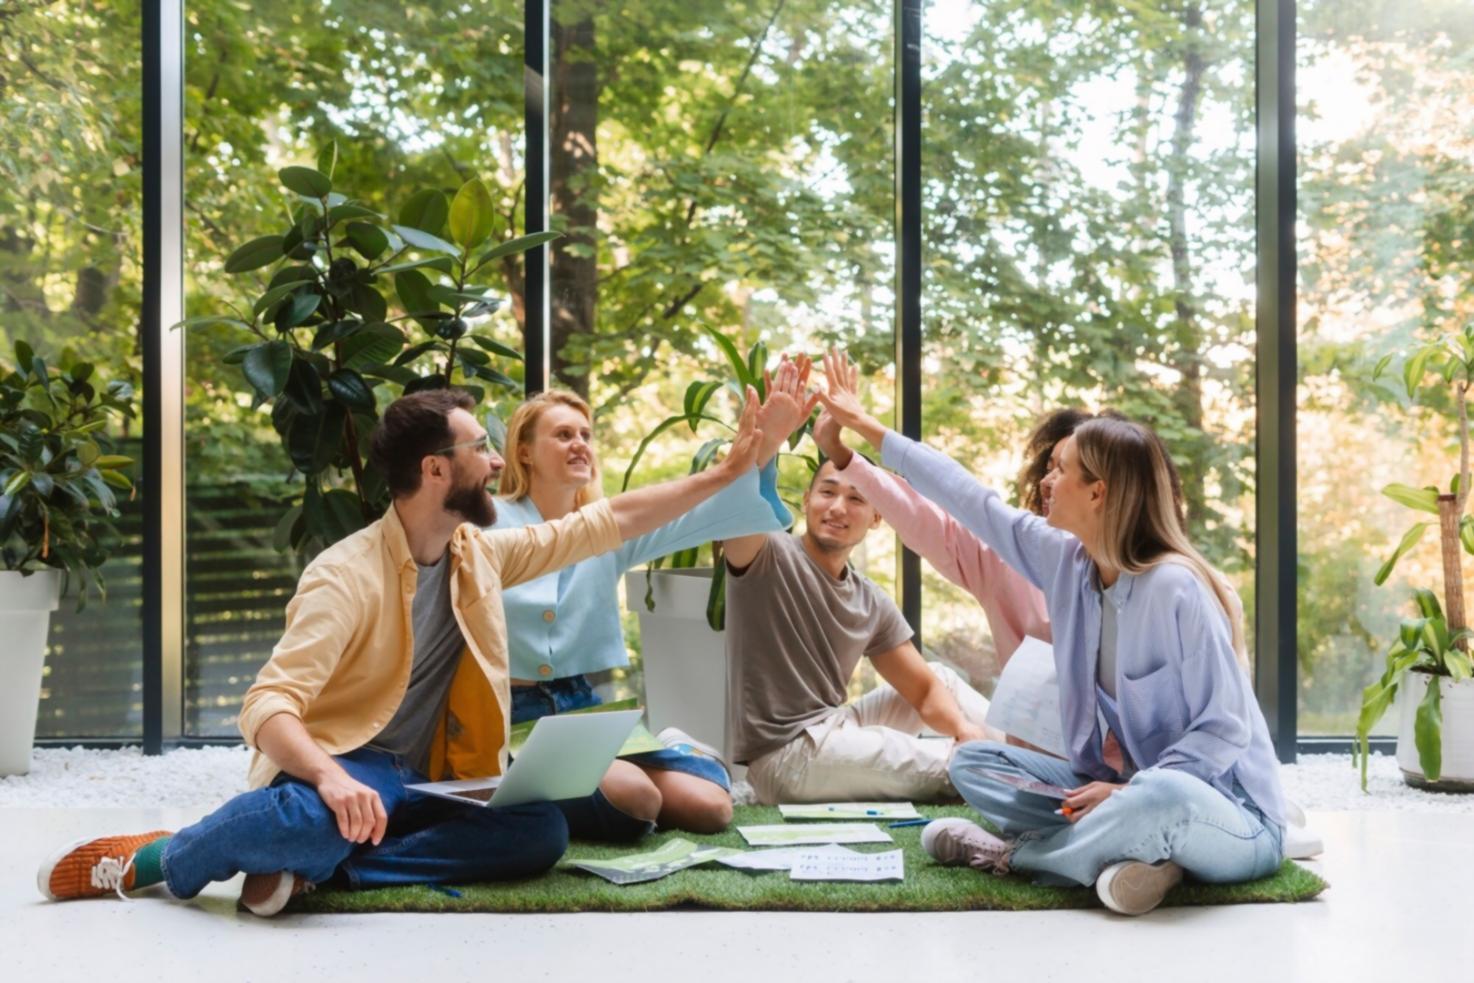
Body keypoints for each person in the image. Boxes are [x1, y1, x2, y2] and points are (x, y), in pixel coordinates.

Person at [36, 385, 766, 915]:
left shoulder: (477, 551)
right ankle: (159, 857)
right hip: (354, 764)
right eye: (478, 447)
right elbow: (266, 705)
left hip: (434, 775)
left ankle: (331, 873)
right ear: (436, 471)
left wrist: (727, 472)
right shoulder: (344, 574)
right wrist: (330, 777)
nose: (491, 460)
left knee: (539, 830)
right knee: (303, 820)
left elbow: (606, 522)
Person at [815, 349, 1286, 916]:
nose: (1047, 480)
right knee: (972, 762)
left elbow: (1225, 728)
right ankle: (1139, 862)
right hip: (1120, 793)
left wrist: (1130, 792)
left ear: (1099, 492)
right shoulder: (1065, 560)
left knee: (1163, 797)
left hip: (1223, 810)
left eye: (1061, 469)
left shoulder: (1177, 588)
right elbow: (967, 498)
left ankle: (1022, 858)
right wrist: (865, 433)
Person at [487, 371, 810, 838]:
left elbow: (701, 514)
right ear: (523, 451)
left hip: (582, 708)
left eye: (585, 435)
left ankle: (673, 748)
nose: (580, 444)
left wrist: (769, 440)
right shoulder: (490, 522)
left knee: (711, 809)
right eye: (563, 435)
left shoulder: (607, 529)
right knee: (639, 801)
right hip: (514, 715)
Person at [720, 359, 1002, 805]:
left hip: (834, 731)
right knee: (955, 765)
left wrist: (968, 732)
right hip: (785, 758)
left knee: (943, 680)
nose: (837, 507)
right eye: (827, 491)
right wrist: (769, 437)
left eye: (856, 498)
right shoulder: (767, 555)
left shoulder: (868, 599)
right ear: (809, 499)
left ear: (876, 518)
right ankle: (1010, 772)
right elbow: (733, 509)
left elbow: (924, 690)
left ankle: (1025, 754)